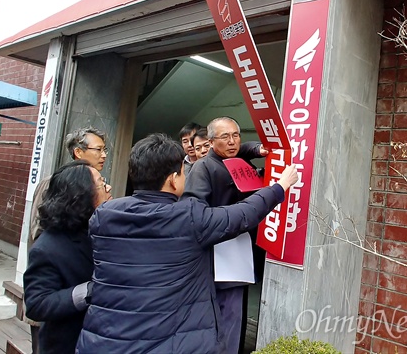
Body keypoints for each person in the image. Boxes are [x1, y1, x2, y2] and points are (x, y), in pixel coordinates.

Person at [76, 133, 297, 353]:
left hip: (105, 341)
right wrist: (280, 186)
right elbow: (242, 214)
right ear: (173, 179)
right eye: (183, 172)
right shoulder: (188, 217)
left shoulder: (103, 215)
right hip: (171, 343)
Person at [183, 116, 271, 354]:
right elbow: (195, 215)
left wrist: (258, 148)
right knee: (219, 319)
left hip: (241, 254)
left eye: (235, 135)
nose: (232, 142)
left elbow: (246, 148)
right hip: (215, 256)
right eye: (225, 137)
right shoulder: (204, 168)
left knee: (235, 319)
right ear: (211, 142)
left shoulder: (238, 160)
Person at [24, 127, 113, 352]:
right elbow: (37, 303)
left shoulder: (96, 231)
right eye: (102, 185)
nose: (108, 190)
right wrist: (91, 290)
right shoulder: (48, 248)